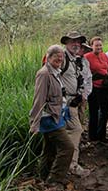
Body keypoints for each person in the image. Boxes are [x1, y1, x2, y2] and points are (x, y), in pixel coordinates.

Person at [29, 45, 74, 188]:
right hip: (48, 119)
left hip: (56, 116)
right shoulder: (44, 74)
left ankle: (43, 177)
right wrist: (34, 123)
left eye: (61, 56)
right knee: (68, 147)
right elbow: (38, 99)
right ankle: (54, 179)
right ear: (48, 57)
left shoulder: (56, 72)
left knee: (49, 150)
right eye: (56, 56)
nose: (59, 58)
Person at [59, 31, 92, 177]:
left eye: (78, 41)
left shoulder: (74, 60)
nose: (76, 44)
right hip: (63, 104)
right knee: (76, 130)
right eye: (72, 41)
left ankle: (64, 166)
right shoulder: (62, 58)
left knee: (67, 133)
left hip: (71, 103)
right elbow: (49, 76)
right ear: (66, 43)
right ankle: (71, 165)